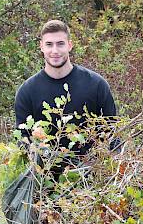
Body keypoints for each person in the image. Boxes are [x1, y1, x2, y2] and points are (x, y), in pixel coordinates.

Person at [15, 19, 118, 156]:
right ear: (41, 47)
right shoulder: (27, 91)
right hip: (45, 175)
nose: (55, 50)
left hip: (93, 172)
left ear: (70, 45)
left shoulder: (96, 85)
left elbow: (113, 134)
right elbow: (23, 142)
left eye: (60, 44)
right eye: (49, 44)